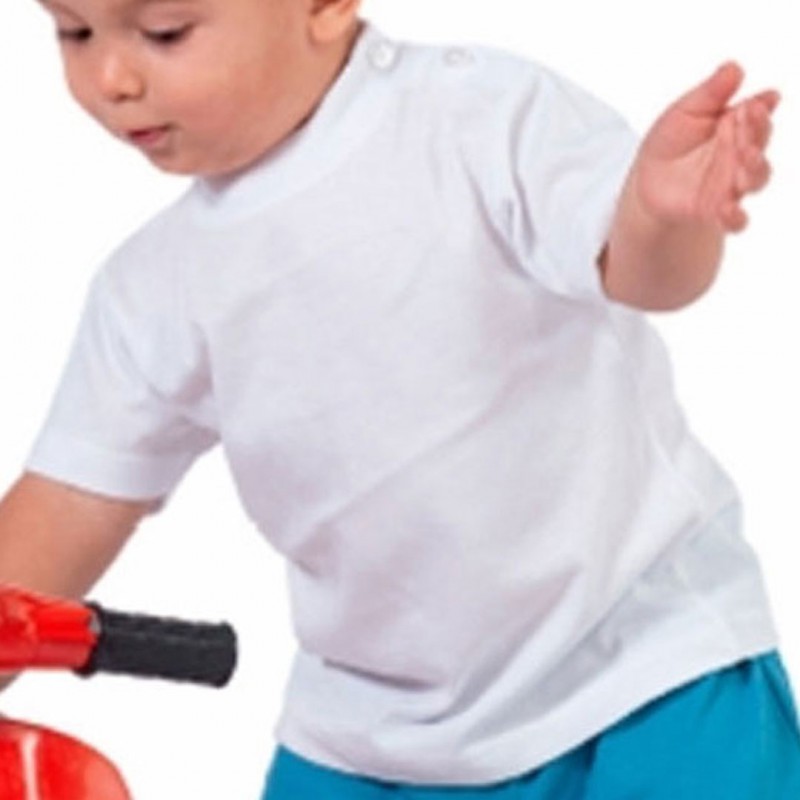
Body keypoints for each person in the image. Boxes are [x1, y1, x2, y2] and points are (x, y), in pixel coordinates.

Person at [1, 0, 798, 797]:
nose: (111, 78)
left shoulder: (478, 116)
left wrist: (661, 216)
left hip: (640, 669)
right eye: (73, 31)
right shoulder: (151, 289)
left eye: (165, 32)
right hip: (374, 735)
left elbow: (642, 273)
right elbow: (68, 502)